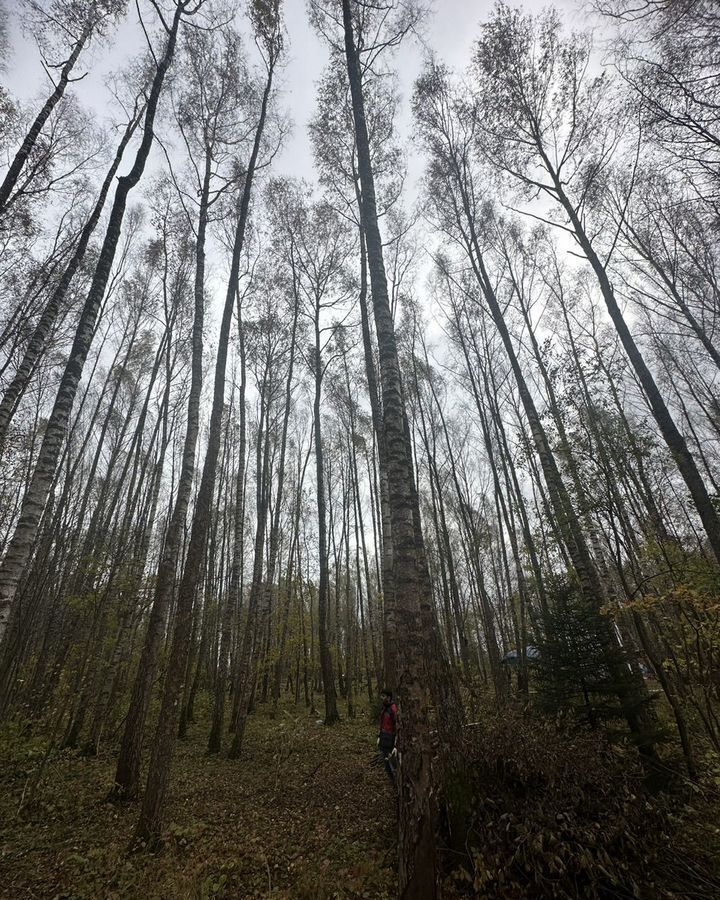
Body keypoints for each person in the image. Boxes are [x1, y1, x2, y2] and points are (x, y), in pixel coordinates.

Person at [377, 688, 398, 787]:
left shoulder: (393, 709)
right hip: (384, 739)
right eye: (381, 696)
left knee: (392, 764)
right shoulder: (385, 708)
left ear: (389, 697)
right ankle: (393, 783)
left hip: (391, 740)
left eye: (384, 696)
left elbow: (396, 726)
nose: (382, 698)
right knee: (386, 764)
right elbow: (383, 724)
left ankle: (397, 785)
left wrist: (395, 744)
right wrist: (379, 736)